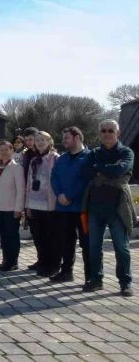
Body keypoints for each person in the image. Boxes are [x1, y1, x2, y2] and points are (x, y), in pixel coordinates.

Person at [83, 120, 135, 296]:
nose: (106, 133)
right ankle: (96, 280)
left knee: (121, 247)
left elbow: (121, 169)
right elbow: (86, 171)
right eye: (103, 131)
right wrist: (106, 170)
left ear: (118, 133)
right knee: (94, 246)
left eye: (110, 130)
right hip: (95, 207)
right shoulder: (94, 153)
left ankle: (125, 283)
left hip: (118, 208)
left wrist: (99, 170)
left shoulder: (126, 152)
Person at [49, 127, 90, 283]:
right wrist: (60, 194)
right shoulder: (62, 159)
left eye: (67, 138)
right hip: (64, 209)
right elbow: (54, 177)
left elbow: (86, 181)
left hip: (83, 209)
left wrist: (70, 195)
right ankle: (66, 272)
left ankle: (91, 276)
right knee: (65, 241)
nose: (64, 141)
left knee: (87, 242)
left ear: (77, 138)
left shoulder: (89, 157)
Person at [0, 141, 25, 272]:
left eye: (6, 150)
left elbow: (21, 190)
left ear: (12, 151)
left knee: (11, 236)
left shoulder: (17, 168)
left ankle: (13, 261)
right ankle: (6, 259)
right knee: (3, 236)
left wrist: (18, 209)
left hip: (11, 209)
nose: (3, 152)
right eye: (1, 150)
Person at [25, 131, 60, 277]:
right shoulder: (34, 160)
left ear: (50, 141)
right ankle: (42, 261)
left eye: (43, 140)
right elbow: (28, 184)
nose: (39, 142)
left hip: (49, 204)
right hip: (34, 203)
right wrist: (27, 204)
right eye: (37, 140)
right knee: (38, 237)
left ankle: (53, 265)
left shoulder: (55, 158)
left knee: (50, 236)